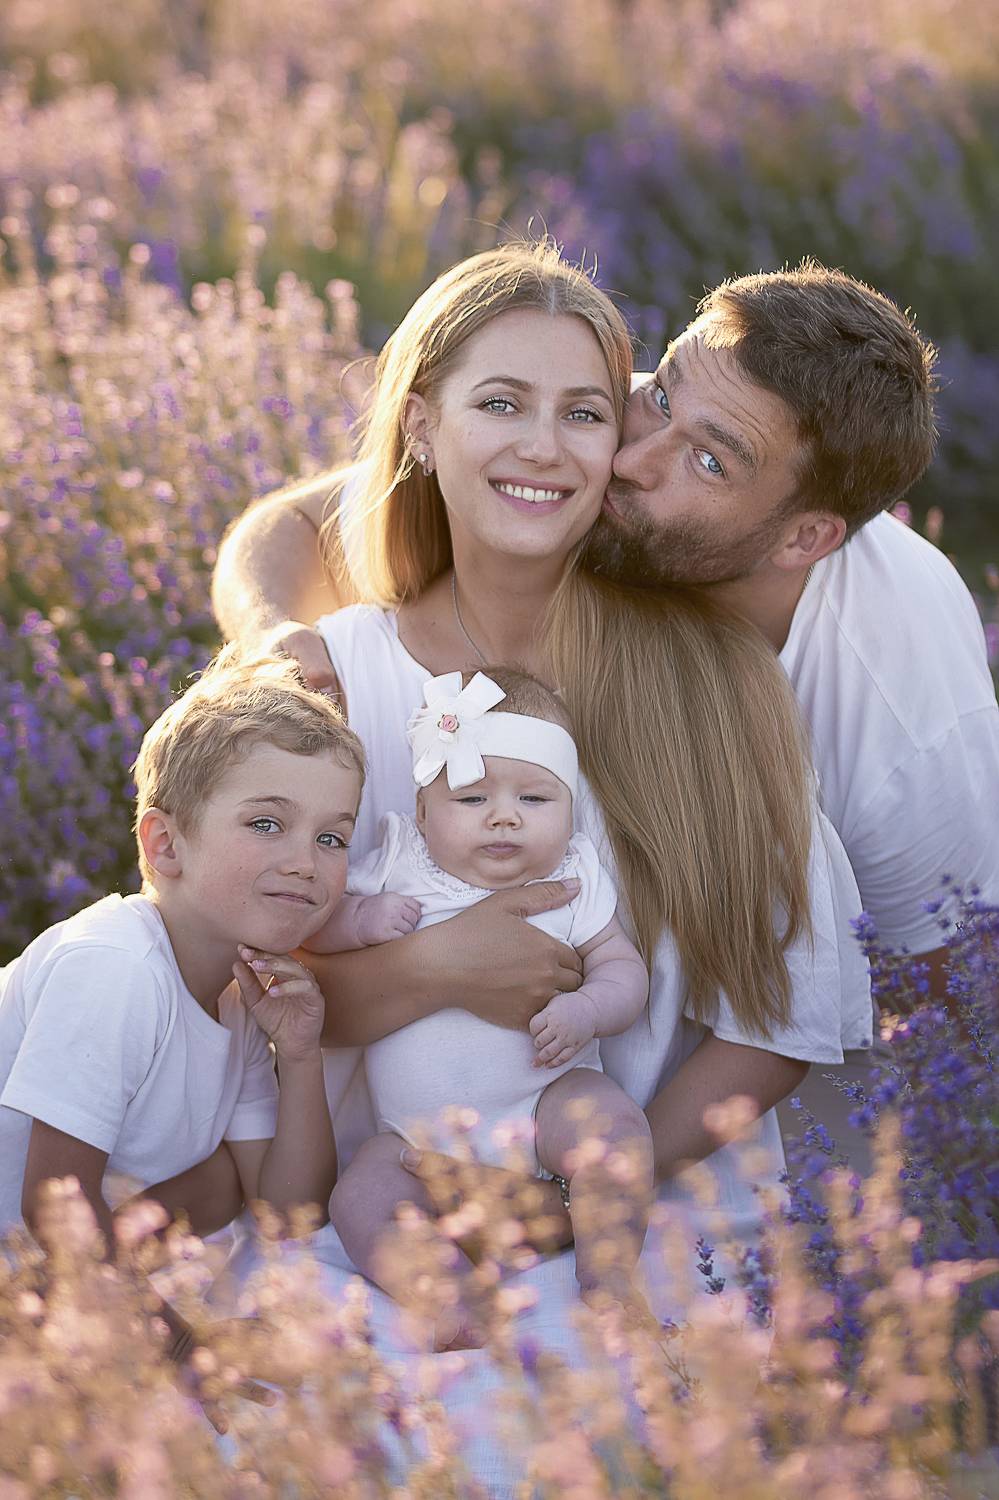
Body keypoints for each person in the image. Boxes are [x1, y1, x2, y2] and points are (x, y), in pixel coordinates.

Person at [213, 241, 871, 1272]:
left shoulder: (709, 685)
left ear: (618, 446)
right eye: (500, 404)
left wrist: (573, 1205)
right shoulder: (325, 684)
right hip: (382, 1219)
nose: (544, 448)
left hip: (643, 1224)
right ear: (420, 425)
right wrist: (434, 967)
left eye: (584, 413)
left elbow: (777, 1023)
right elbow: (252, 995)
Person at [213, 259, 999, 993]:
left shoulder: (902, 706)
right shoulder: (633, 421)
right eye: (659, 396)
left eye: (708, 463)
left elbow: (949, 990)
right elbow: (296, 523)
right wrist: (270, 645)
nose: (629, 461)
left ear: (802, 539)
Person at [0, 648, 364, 1402]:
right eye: (267, 823)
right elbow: (55, 1205)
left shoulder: (237, 992)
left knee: (227, 1178)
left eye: (331, 838)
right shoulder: (116, 967)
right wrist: (192, 1353)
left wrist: (299, 1055)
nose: (306, 862)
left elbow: (285, 1209)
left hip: (59, 1261)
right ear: (164, 845)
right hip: (32, 1249)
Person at [303, 667, 651, 1346]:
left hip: (545, 1104)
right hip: (413, 1142)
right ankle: (451, 1302)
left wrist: (587, 1009)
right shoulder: (397, 865)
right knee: (360, 1195)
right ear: (422, 813)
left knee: (612, 1128)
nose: (504, 815)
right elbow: (313, 928)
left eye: (534, 797)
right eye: (472, 797)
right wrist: (357, 920)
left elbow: (622, 970)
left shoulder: (573, 879)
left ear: (571, 809)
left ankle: (608, 1278)